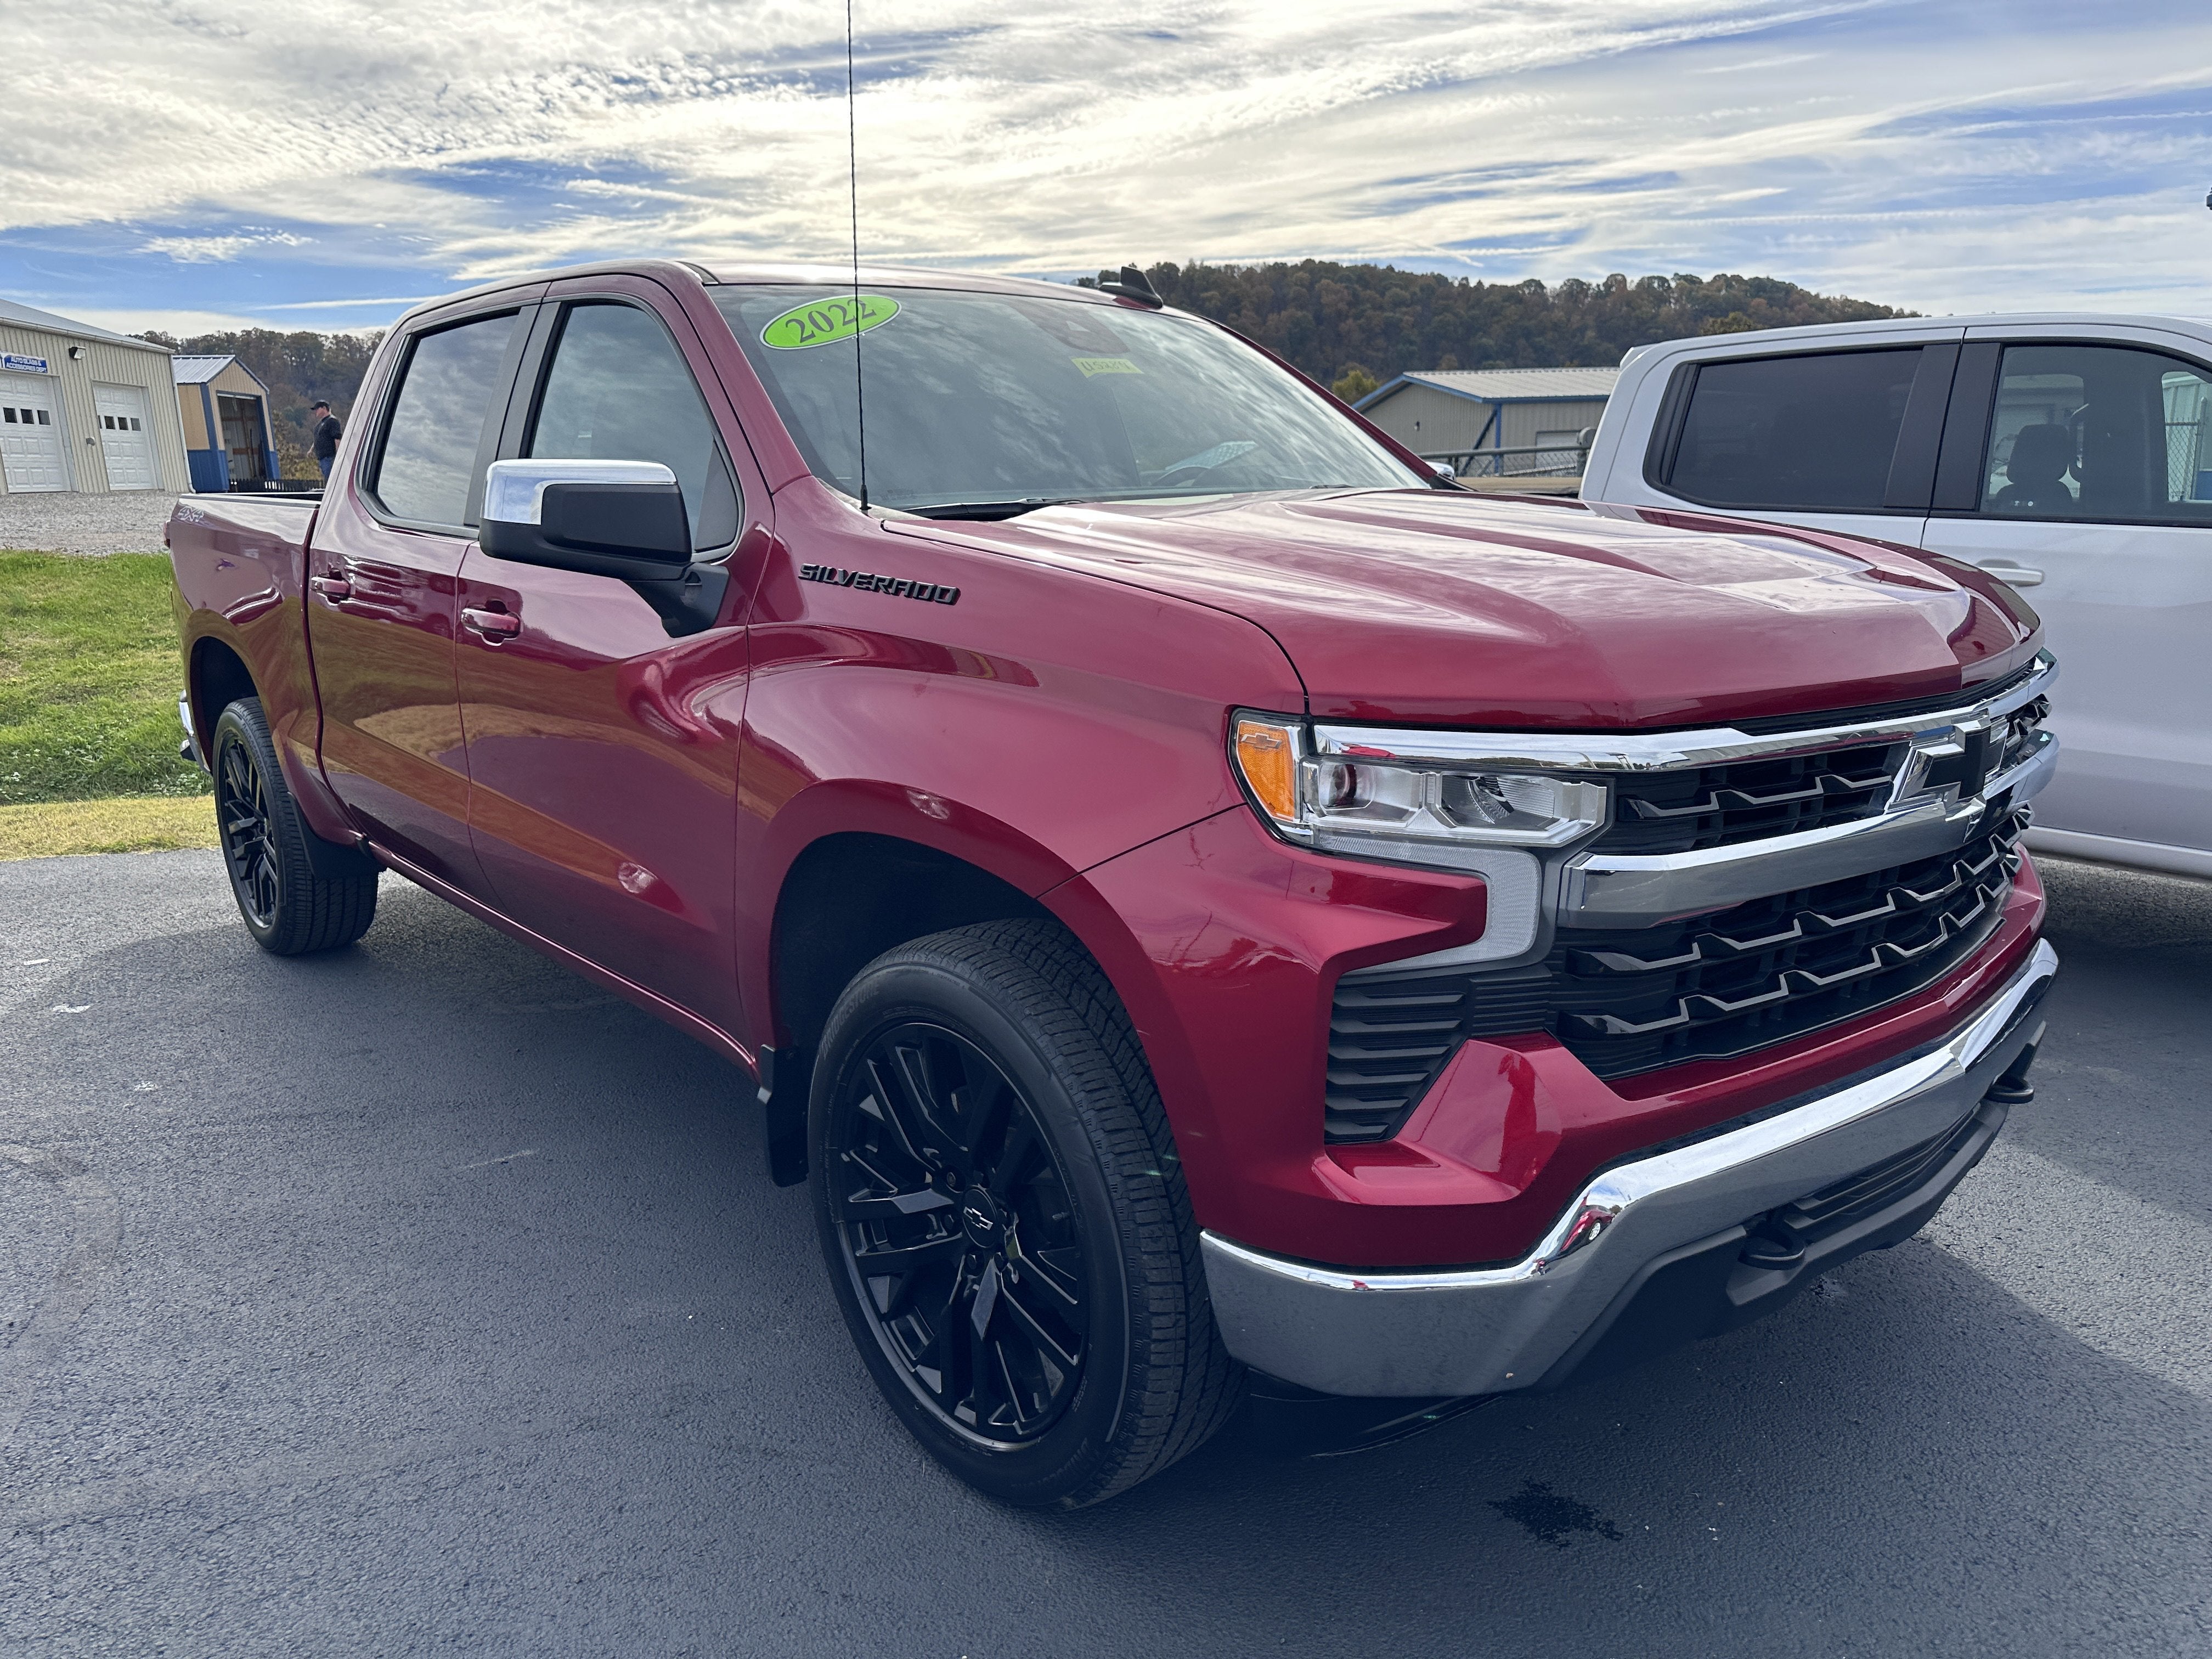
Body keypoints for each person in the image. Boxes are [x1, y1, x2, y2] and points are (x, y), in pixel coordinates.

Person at [310, 401, 343, 480]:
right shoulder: (320, 424)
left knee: (331, 479)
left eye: (318, 409)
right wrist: (311, 450)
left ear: (324, 408)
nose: (316, 412)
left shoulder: (332, 421)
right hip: (322, 458)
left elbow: (337, 438)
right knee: (326, 477)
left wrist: (338, 455)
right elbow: (318, 438)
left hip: (329, 457)